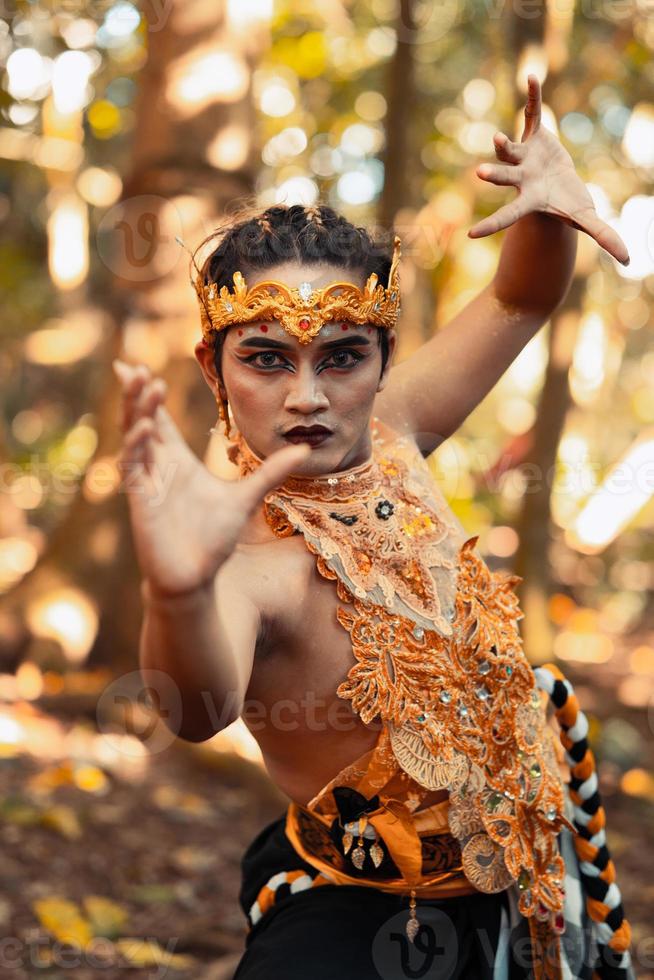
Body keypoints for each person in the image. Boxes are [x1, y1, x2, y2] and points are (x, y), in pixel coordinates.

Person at [114, 78, 635, 979]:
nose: (308, 396)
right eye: (267, 359)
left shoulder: (395, 431)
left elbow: (518, 300)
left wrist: (549, 209)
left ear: (385, 358)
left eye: (343, 356)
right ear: (214, 365)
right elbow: (194, 711)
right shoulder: (250, 567)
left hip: (530, 897)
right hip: (368, 922)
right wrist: (179, 589)